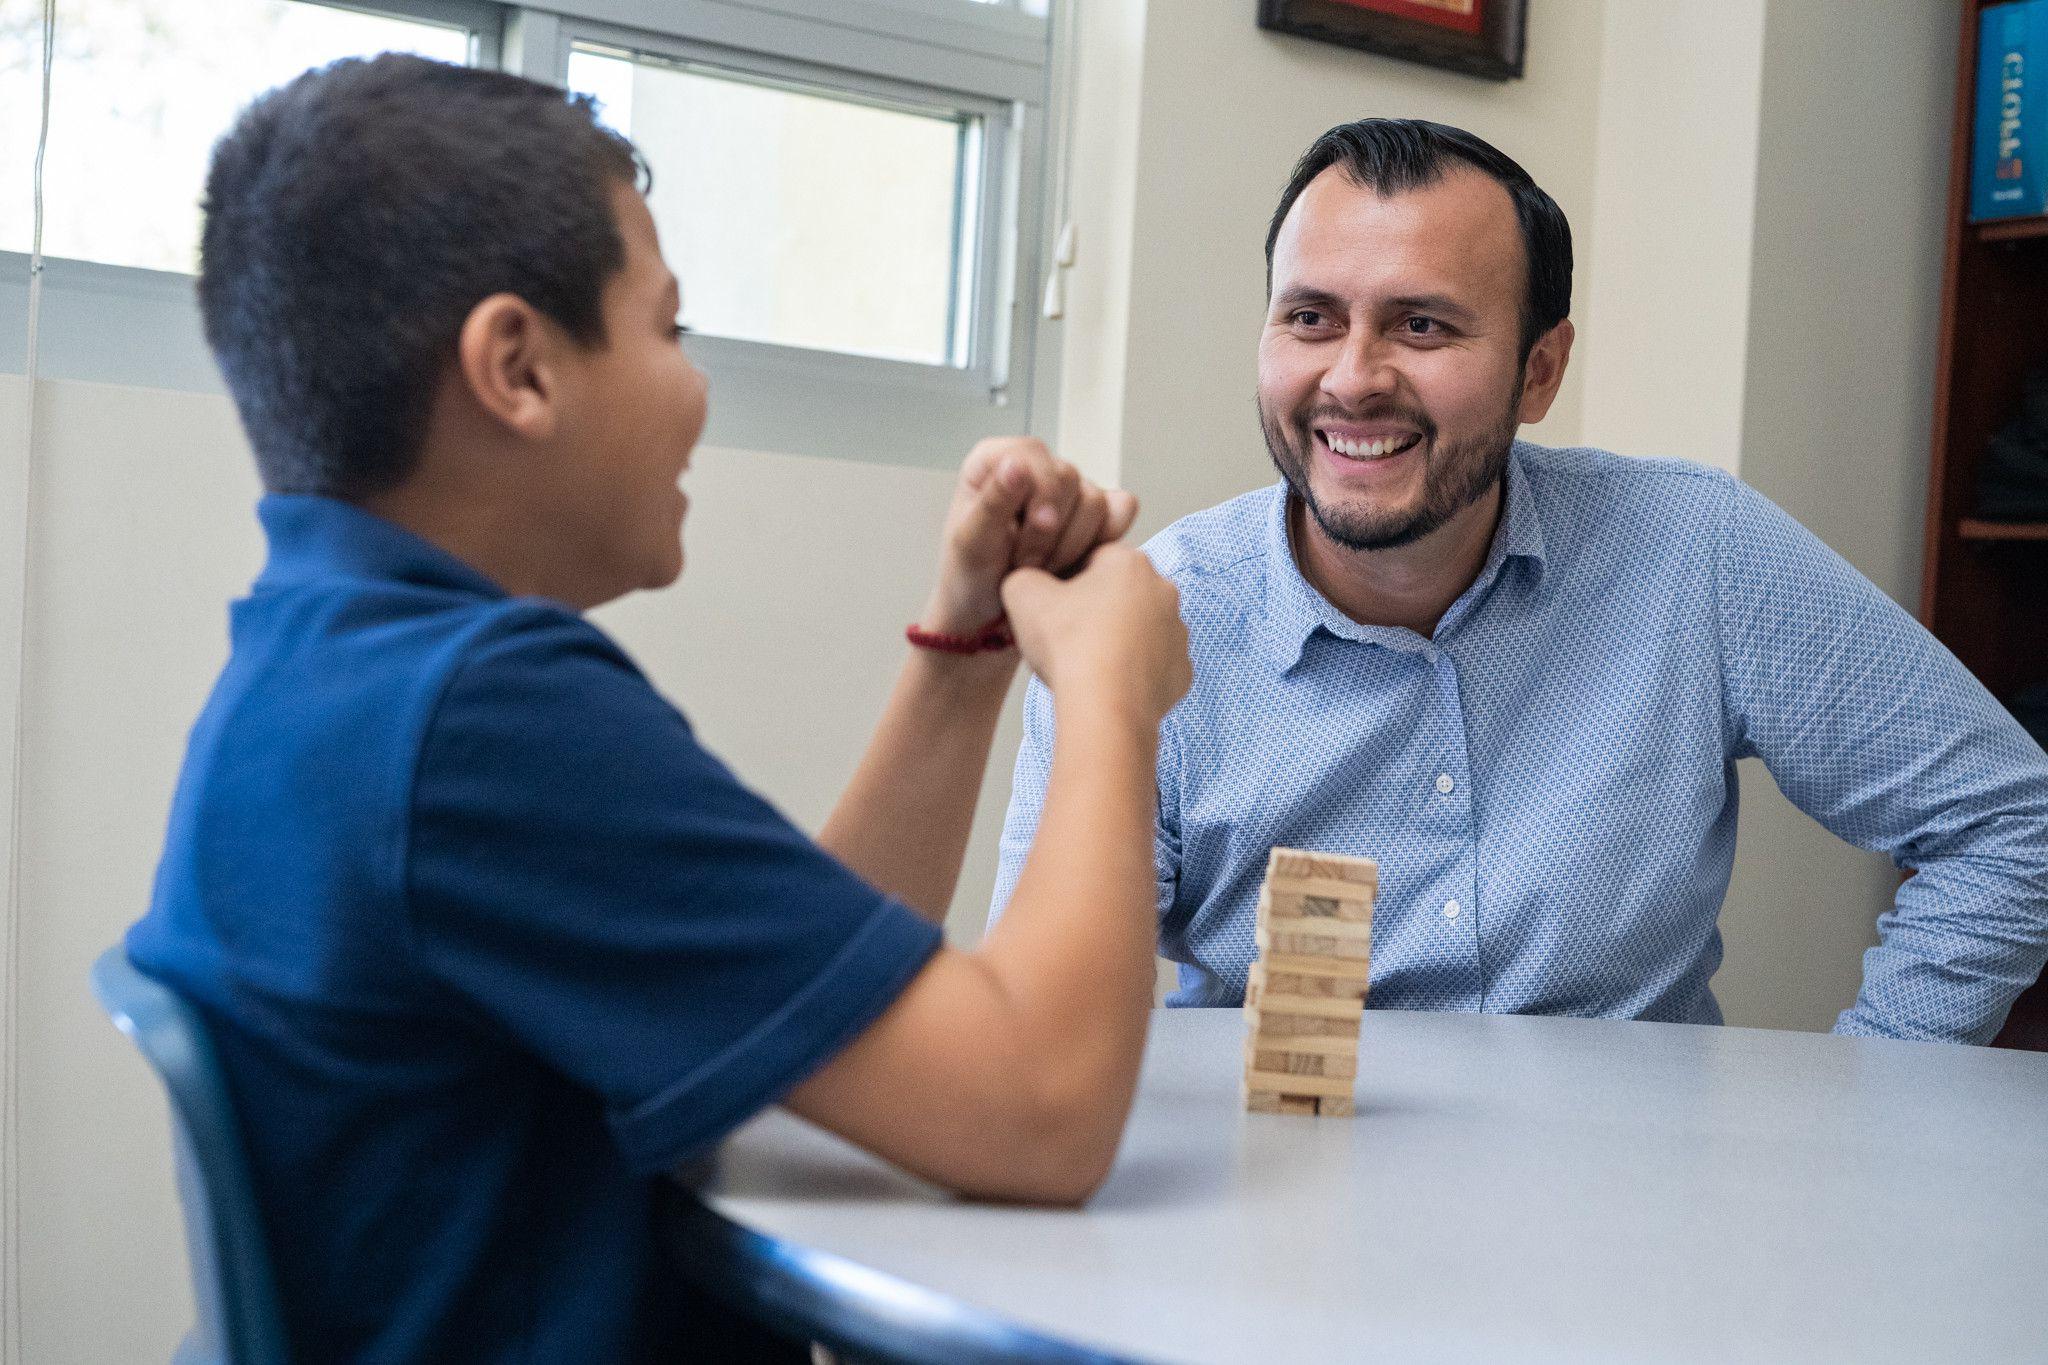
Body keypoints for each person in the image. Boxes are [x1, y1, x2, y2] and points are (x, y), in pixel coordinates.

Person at [125, 54, 1191, 1363]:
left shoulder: (331, 673)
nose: (695, 389)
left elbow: (809, 1006)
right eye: (668, 330)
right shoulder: (483, 721)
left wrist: (968, 650)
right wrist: (1110, 693)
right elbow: (1041, 1108)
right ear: (519, 367)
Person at [993, 118, 2048, 1042]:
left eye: (1422, 325)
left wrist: (1872, 1087)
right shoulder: (1146, 619)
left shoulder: (1692, 550)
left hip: (1626, 1215)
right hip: (1273, 1204)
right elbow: (1041, 1012)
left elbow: (2011, 821)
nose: (1352, 378)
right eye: (1309, 317)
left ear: (1538, 371)